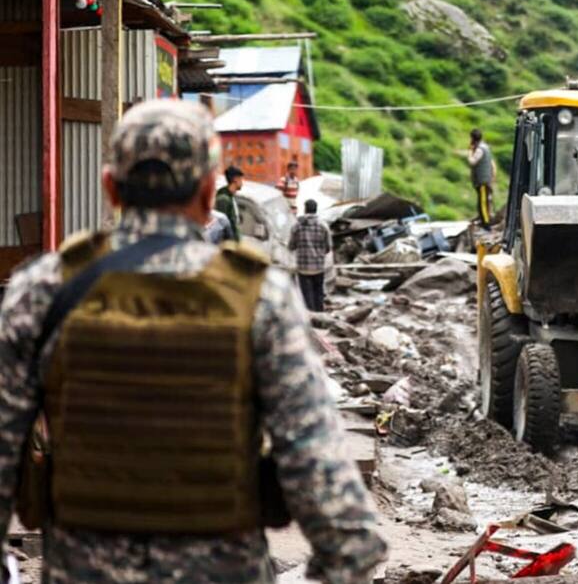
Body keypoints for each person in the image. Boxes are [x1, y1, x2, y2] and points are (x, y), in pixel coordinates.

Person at [0, 100, 386, 583]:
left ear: (110, 189)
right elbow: (345, 522)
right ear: (208, 193)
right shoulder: (260, 299)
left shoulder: (42, 292)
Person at [290, 199, 332, 313]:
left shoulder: (297, 226)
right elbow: (328, 247)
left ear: (305, 209)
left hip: (303, 268)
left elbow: (291, 246)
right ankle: (321, 317)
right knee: (319, 294)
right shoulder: (323, 226)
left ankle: (311, 320)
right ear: (316, 209)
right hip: (318, 267)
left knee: (307, 296)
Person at [467, 128, 496, 226]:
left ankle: (486, 222)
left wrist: (470, 152)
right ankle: (482, 218)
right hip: (486, 179)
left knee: (483, 202)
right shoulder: (486, 147)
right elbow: (492, 164)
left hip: (482, 180)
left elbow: (472, 162)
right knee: (483, 200)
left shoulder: (479, 149)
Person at [215, 164, 244, 241]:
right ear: (235, 179)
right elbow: (221, 228)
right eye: (241, 179)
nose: (242, 182)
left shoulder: (231, 196)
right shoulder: (223, 199)